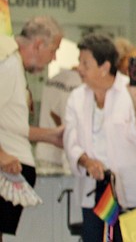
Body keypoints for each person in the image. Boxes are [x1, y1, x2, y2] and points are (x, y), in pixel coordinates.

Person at [63, 33, 136, 242]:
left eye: (85, 63)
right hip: (94, 194)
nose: (79, 68)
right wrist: (87, 161)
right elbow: (70, 140)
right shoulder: (77, 97)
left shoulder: (133, 90)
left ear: (104, 67)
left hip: (133, 193)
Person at [0, 16, 65, 242]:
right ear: (38, 45)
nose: (54, 57)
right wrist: (2, 156)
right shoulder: (8, 66)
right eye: (54, 50)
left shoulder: (14, 66)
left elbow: (11, 125)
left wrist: (50, 136)